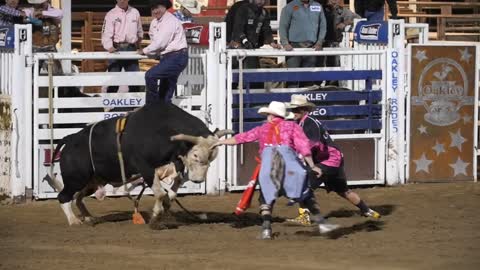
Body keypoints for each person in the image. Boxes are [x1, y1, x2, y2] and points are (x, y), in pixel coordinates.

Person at [216, 101, 339, 239]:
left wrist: (221, 142)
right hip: (289, 167)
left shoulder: (262, 129)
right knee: (306, 195)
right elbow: (303, 147)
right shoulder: (292, 127)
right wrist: (312, 166)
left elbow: (242, 138)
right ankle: (322, 223)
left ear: (271, 116)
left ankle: (266, 229)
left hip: (268, 166)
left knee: (266, 199)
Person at [286, 94, 381, 225]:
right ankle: (367, 211)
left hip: (327, 160)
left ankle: (304, 216)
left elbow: (311, 144)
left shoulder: (309, 123)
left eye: (296, 109)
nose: (293, 112)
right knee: (343, 191)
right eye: (293, 110)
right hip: (333, 159)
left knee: (303, 184)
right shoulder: (305, 123)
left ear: (304, 110)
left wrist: (302, 158)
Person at [138, 0, 188, 104]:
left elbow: (160, 43)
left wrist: (144, 50)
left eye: (157, 7)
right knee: (165, 95)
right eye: (153, 9)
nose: (155, 11)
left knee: (150, 75)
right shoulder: (155, 22)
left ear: (164, 7)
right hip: (171, 57)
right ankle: (162, 111)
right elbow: (156, 42)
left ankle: (151, 106)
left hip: (176, 56)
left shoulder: (169, 21)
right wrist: (154, 53)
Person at [279, 0, 326, 87]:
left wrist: (319, 42)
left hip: (311, 47)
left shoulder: (317, 6)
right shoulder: (290, 7)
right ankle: (291, 99)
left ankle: (306, 100)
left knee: (309, 78)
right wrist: (285, 43)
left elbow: (323, 25)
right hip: (293, 47)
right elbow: (283, 26)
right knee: (293, 77)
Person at [102, 0, 143, 93]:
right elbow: (106, 33)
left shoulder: (135, 12)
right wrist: (109, 47)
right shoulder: (111, 14)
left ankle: (135, 106)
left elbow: (139, 31)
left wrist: (139, 45)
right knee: (114, 80)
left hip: (131, 48)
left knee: (134, 80)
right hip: (116, 48)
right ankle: (110, 106)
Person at [225, 0, 280, 71]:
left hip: (252, 47)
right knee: (234, 75)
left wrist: (272, 42)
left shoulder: (264, 13)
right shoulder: (242, 9)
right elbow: (238, 28)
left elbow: (266, 29)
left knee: (252, 74)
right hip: (237, 46)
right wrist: (245, 41)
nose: (261, 2)